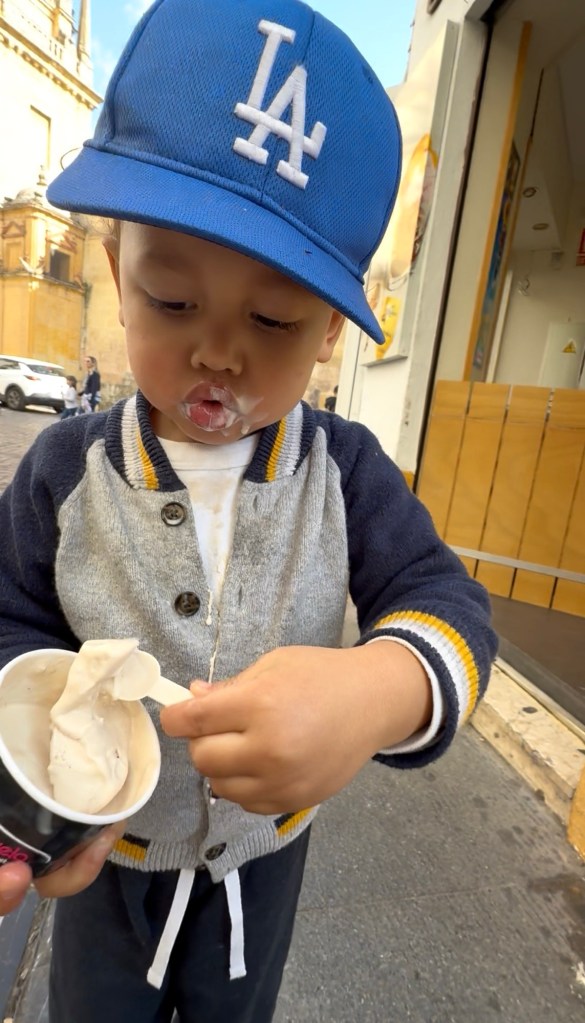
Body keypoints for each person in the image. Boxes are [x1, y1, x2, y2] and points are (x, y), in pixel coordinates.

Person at [0, 1, 497, 1020]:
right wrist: (32, 779)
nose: (219, 352)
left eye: (273, 318)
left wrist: (376, 691)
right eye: (174, 301)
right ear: (116, 274)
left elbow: (447, 604)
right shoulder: (63, 470)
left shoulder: (343, 472)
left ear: (331, 333)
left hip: (260, 868)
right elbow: (11, 615)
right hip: (105, 856)